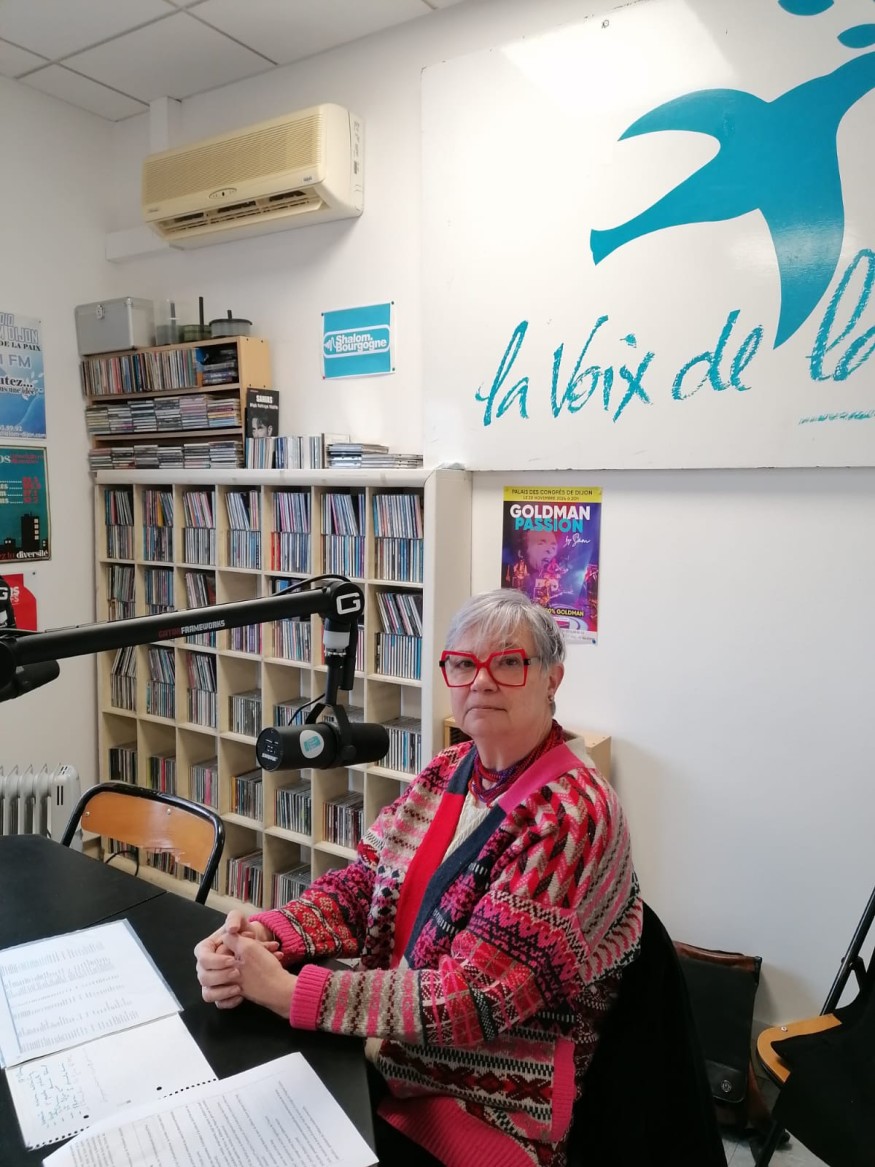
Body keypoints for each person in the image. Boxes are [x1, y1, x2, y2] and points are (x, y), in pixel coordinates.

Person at [195, 589, 642, 1167]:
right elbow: (361, 890)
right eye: (463, 664)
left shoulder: (573, 816)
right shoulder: (447, 770)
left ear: (552, 678)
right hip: (391, 1061)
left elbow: (473, 996)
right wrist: (264, 934)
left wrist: (287, 993)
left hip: (484, 1112)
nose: (481, 682)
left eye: (508, 663)